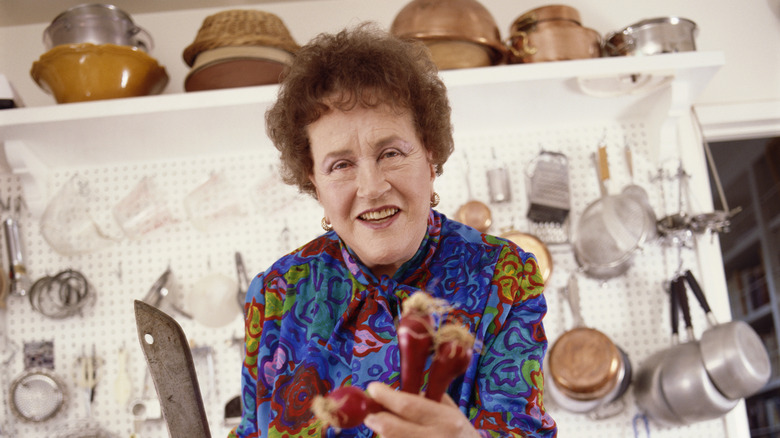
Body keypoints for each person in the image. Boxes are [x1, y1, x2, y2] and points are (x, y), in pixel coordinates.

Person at [229, 23, 557, 438]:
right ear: (314, 182)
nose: (372, 187)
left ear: (429, 154)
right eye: (341, 165)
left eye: (390, 153)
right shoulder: (274, 293)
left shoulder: (504, 275)